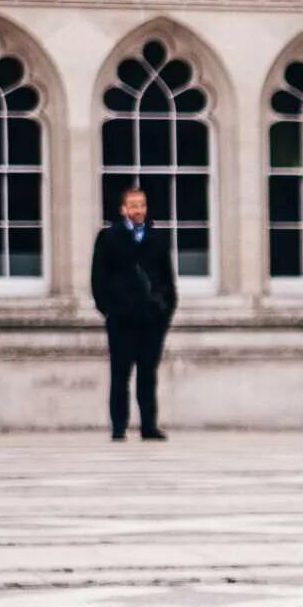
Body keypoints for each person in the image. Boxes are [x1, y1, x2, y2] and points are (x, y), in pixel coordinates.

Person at [90, 185, 175, 441]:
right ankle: (119, 426)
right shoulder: (108, 238)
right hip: (122, 318)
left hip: (151, 319)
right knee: (120, 374)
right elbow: (98, 279)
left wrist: (165, 311)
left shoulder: (158, 238)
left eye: (142, 205)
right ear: (123, 209)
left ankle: (149, 426)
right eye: (134, 205)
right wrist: (109, 310)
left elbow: (167, 278)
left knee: (148, 375)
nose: (139, 210)